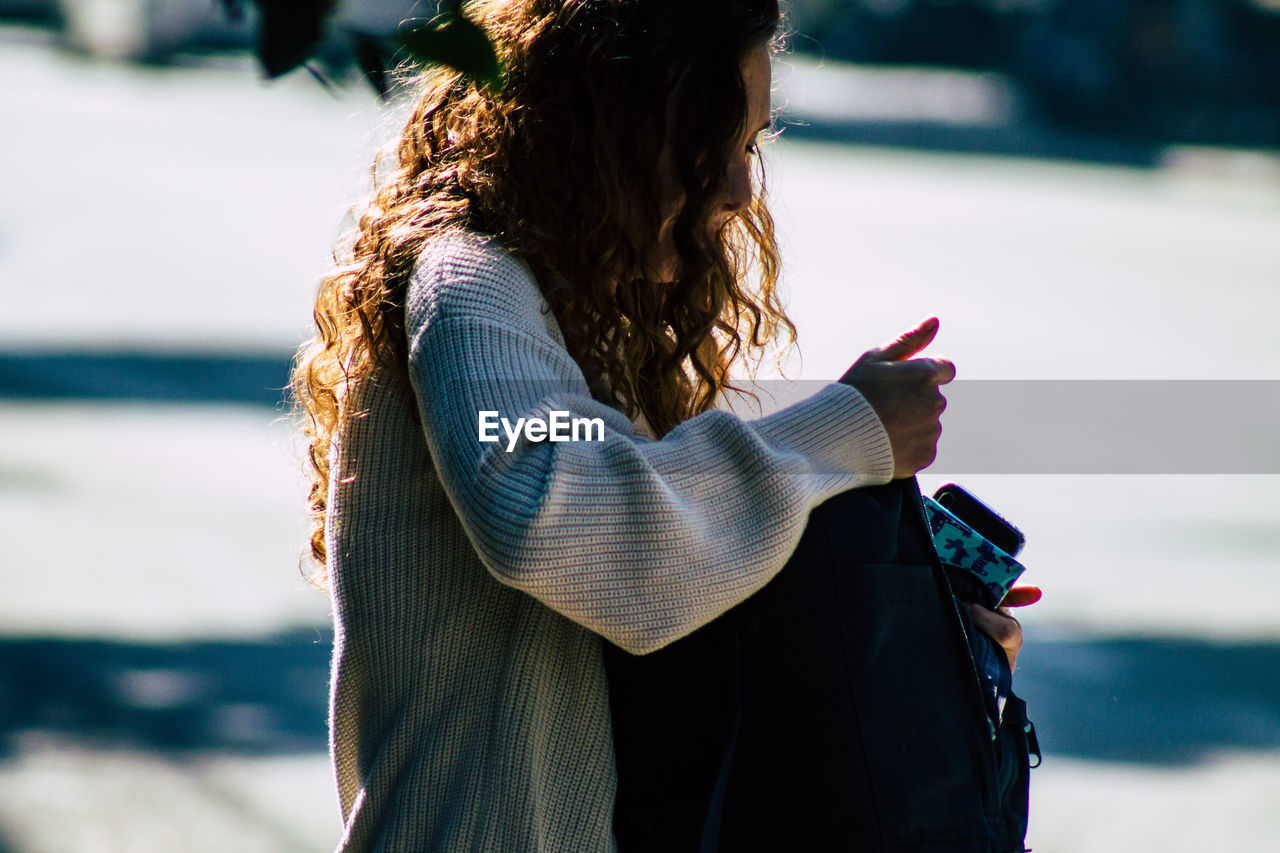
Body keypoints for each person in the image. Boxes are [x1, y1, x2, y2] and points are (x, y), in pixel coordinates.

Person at [291, 1, 1036, 850]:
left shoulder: (581, 319)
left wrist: (922, 643)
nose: (740, 186)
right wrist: (845, 431)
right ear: (614, 122)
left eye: (751, 145)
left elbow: (685, 605)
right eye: (715, 138)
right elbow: (554, 505)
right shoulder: (471, 286)